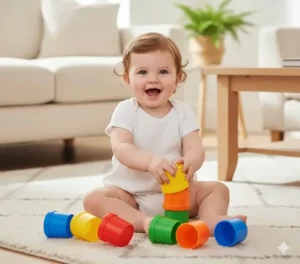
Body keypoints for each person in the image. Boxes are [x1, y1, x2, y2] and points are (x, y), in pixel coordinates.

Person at [83, 32, 247, 235]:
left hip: (179, 194)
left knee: (218, 189)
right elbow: (121, 148)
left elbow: (195, 148)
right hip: (131, 196)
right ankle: (143, 222)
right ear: (127, 78)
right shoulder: (125, 110)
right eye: (142, 72)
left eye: (163, 72)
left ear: (178, 78)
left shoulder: (183, 112)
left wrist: (190, 163)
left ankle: (210, 219)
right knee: (94, 199)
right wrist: (150, 162)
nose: (153, 79)